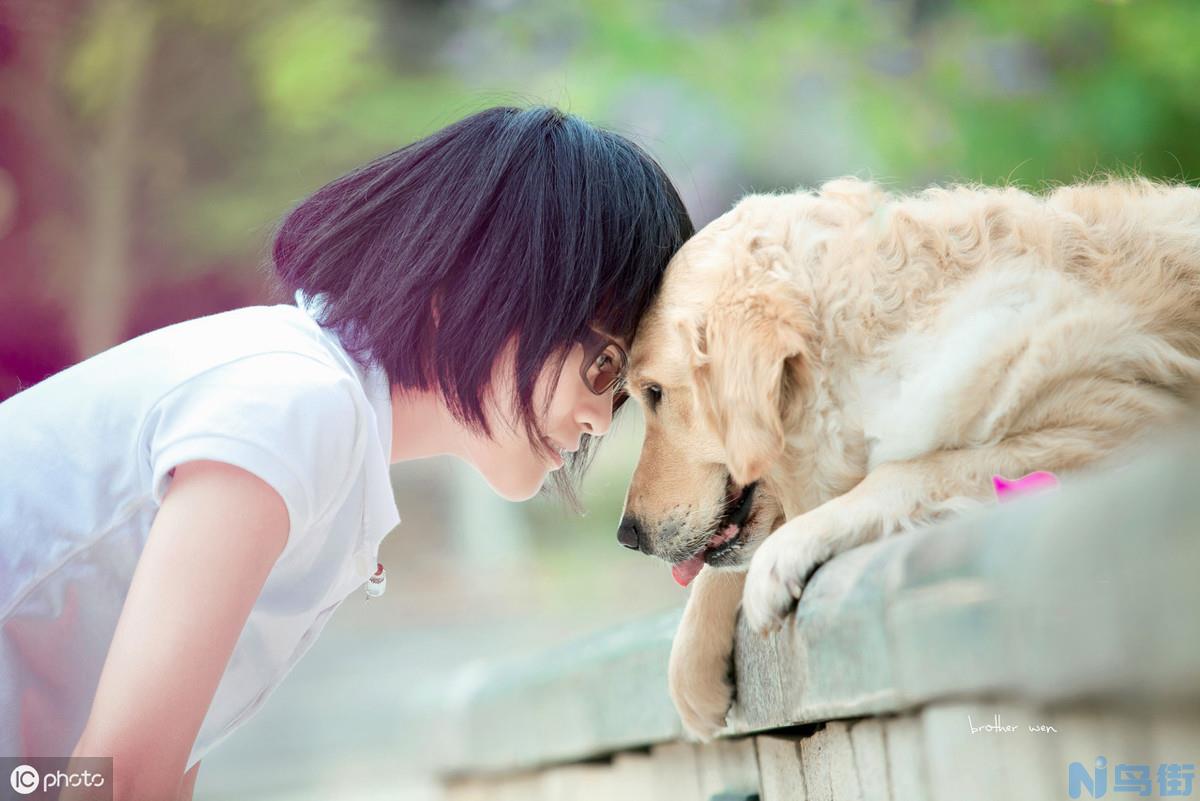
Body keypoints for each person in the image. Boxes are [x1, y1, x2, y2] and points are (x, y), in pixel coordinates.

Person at [0, 105, 694, 800]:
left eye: (625, 385)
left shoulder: (322, 437)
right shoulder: (297, 405)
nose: (602, 418)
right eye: (605, 365)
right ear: (480, 286)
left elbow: (110, 775)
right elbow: (121, 778)